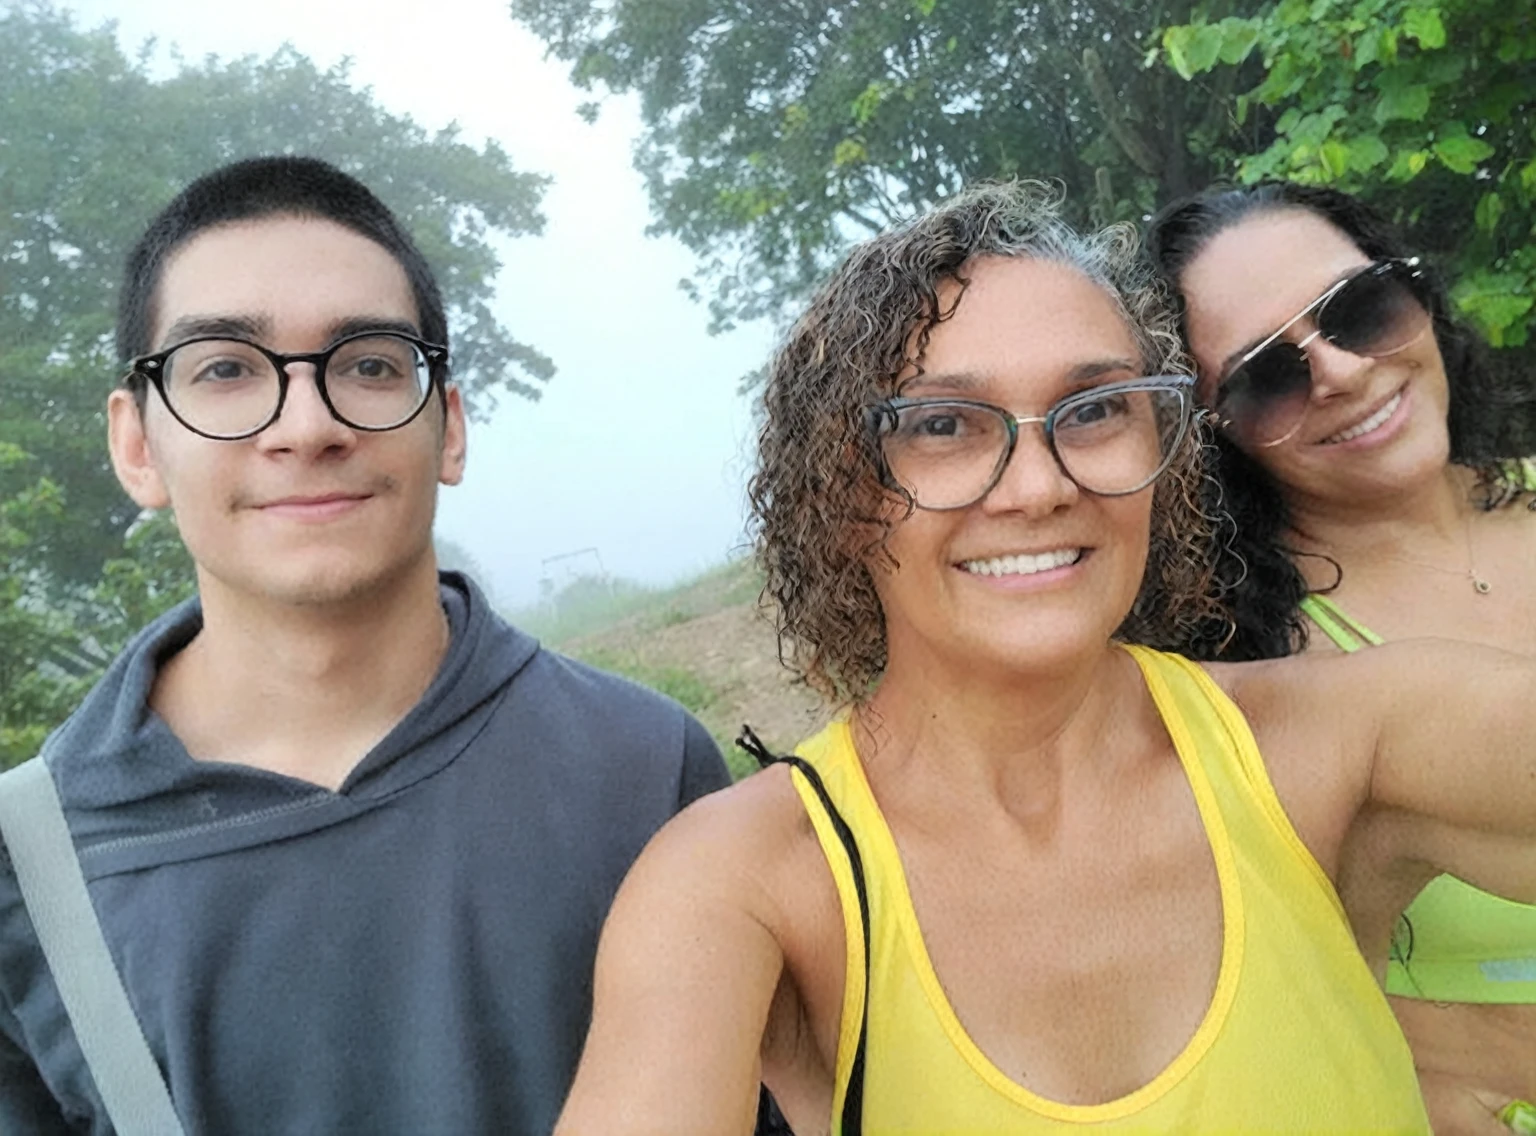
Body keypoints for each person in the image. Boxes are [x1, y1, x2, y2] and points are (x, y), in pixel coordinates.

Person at [553, 182, 1536, 1136]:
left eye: (1098, 407)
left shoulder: (1334, 744)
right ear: (838, 495)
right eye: (940, 424)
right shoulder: (747, 881)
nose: (1036, 484)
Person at [0, 156, 730, 1135]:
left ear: (451, 426)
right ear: (138, 444)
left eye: (370, 363)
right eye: (223, 368)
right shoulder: (28, 869)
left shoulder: (647, 767)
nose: (307, 424)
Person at [1146, 181, 1536, 1135]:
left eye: (1362, 309)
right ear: (1216, 439)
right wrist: (1408, 1042)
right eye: (1267, 376)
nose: (1343, 373)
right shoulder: (1261, 675)